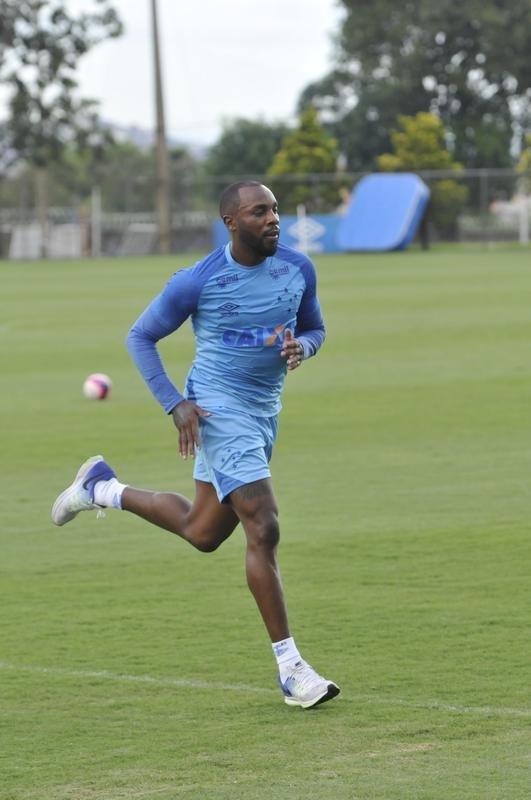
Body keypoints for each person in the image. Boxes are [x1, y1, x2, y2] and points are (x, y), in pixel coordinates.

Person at [52, 181, 339, 710]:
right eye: (259, 211)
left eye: (275, 210)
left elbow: (316, 328)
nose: (273, 219)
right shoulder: (197, 281)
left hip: (263, 412)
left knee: (202, 532)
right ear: (231, 222)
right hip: (216, 407)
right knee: (264, 524)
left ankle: (101, 489)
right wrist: (174, 403)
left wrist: (304, 346)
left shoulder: (298, 269)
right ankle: (292, 670)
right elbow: (140, 336)